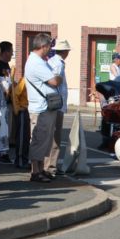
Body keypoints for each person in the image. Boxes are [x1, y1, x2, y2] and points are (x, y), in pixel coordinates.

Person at [24, 33, 63, 183]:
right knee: (39, 140)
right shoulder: (36, 63)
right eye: (49, 47)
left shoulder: (38, 61)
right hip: (41, 108)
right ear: (43, 46)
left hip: (44, 107)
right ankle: (35, 172)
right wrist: (58, 77)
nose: (50, 50)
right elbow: (54, 81)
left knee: (44, 140)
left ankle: (40, 170)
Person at [46, 39, 71, 177]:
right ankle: (51, 167)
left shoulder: (53, 61)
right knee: (55, 137)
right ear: (65, 51)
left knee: (52, 136)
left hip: (54, 103)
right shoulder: (58, 63)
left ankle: (50, 166)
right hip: (56, 103)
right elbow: (54, 81)